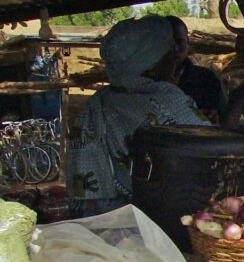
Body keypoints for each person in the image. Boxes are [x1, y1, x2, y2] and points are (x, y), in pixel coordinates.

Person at [67, 15, 210, 217]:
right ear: (151, 63)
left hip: (103, 223)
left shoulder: (97, 103)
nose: (175, 59)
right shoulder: (166, 100)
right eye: (168, 53)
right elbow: (211, 149)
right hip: (160, 224)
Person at [166, 16, 232, 126]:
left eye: (179, 42)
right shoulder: (142, 81)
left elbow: (225, 120)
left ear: (187, 43)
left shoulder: (207, 78)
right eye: (169, 43)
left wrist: (213, 119)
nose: (175, 48)